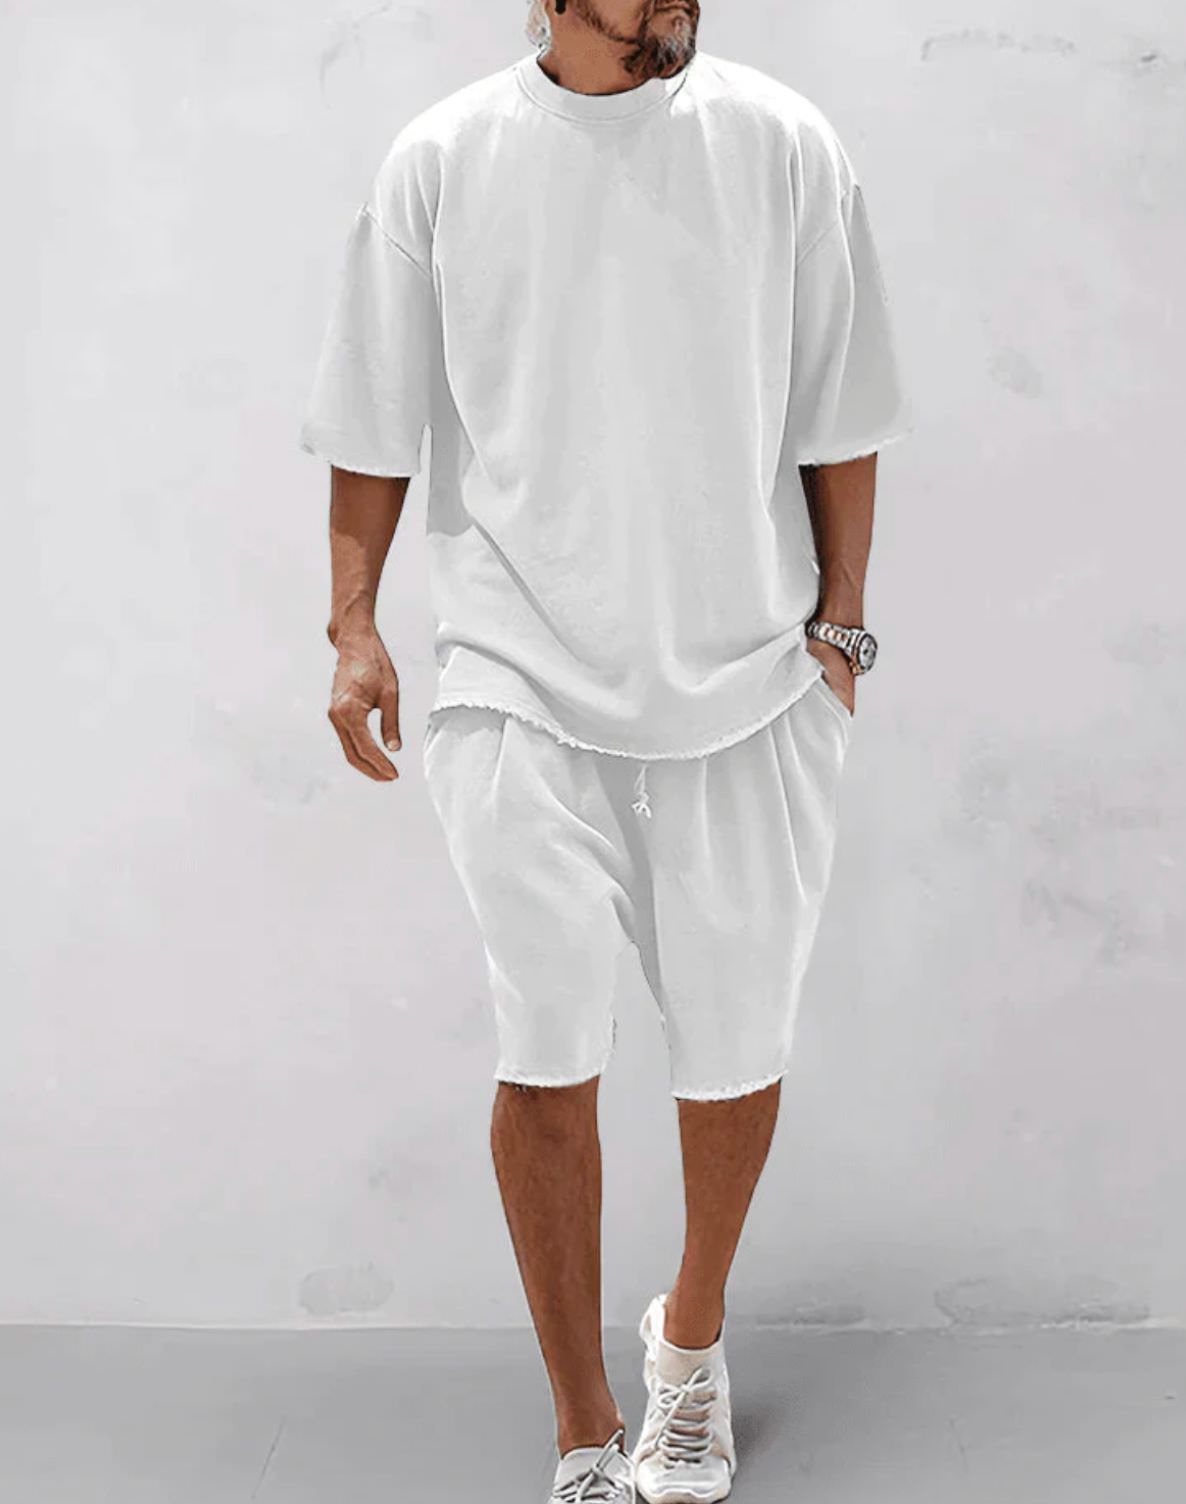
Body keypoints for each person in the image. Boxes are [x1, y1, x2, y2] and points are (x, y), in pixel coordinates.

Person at [299, 2, 911, 1499]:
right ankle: (581, 1426)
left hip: (750, 681)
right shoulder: (443, 158)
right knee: (547, 1041)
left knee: (736, 1047)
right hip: (515, 678)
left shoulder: (781, 142)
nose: (673, 4)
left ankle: (686, 1346)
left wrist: (840, 626)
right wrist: (355, 629)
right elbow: (372, 422)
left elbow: (841, 402)